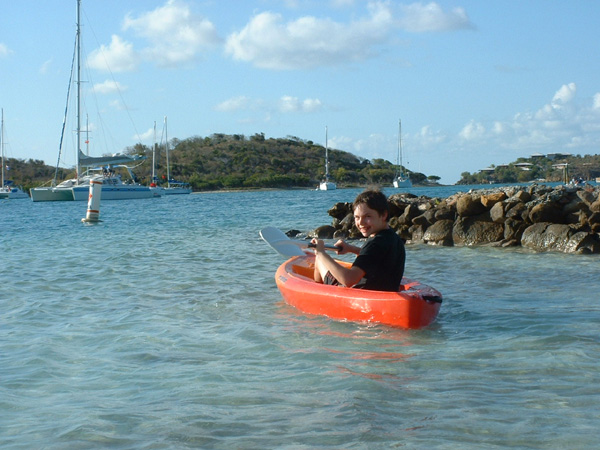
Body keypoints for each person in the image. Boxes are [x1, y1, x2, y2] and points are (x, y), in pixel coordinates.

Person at [311, 189, 405, 292]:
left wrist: (321, 253)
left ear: (383, 215)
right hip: (384, 295)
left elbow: (348, 280)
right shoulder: (393, 238)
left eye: (367, 216)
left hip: (363, 298)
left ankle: (317, 293)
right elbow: (375, 257)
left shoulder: (374, 243)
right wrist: (351, 248)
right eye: (357, 217)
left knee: (319, 260)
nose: (360, 222)